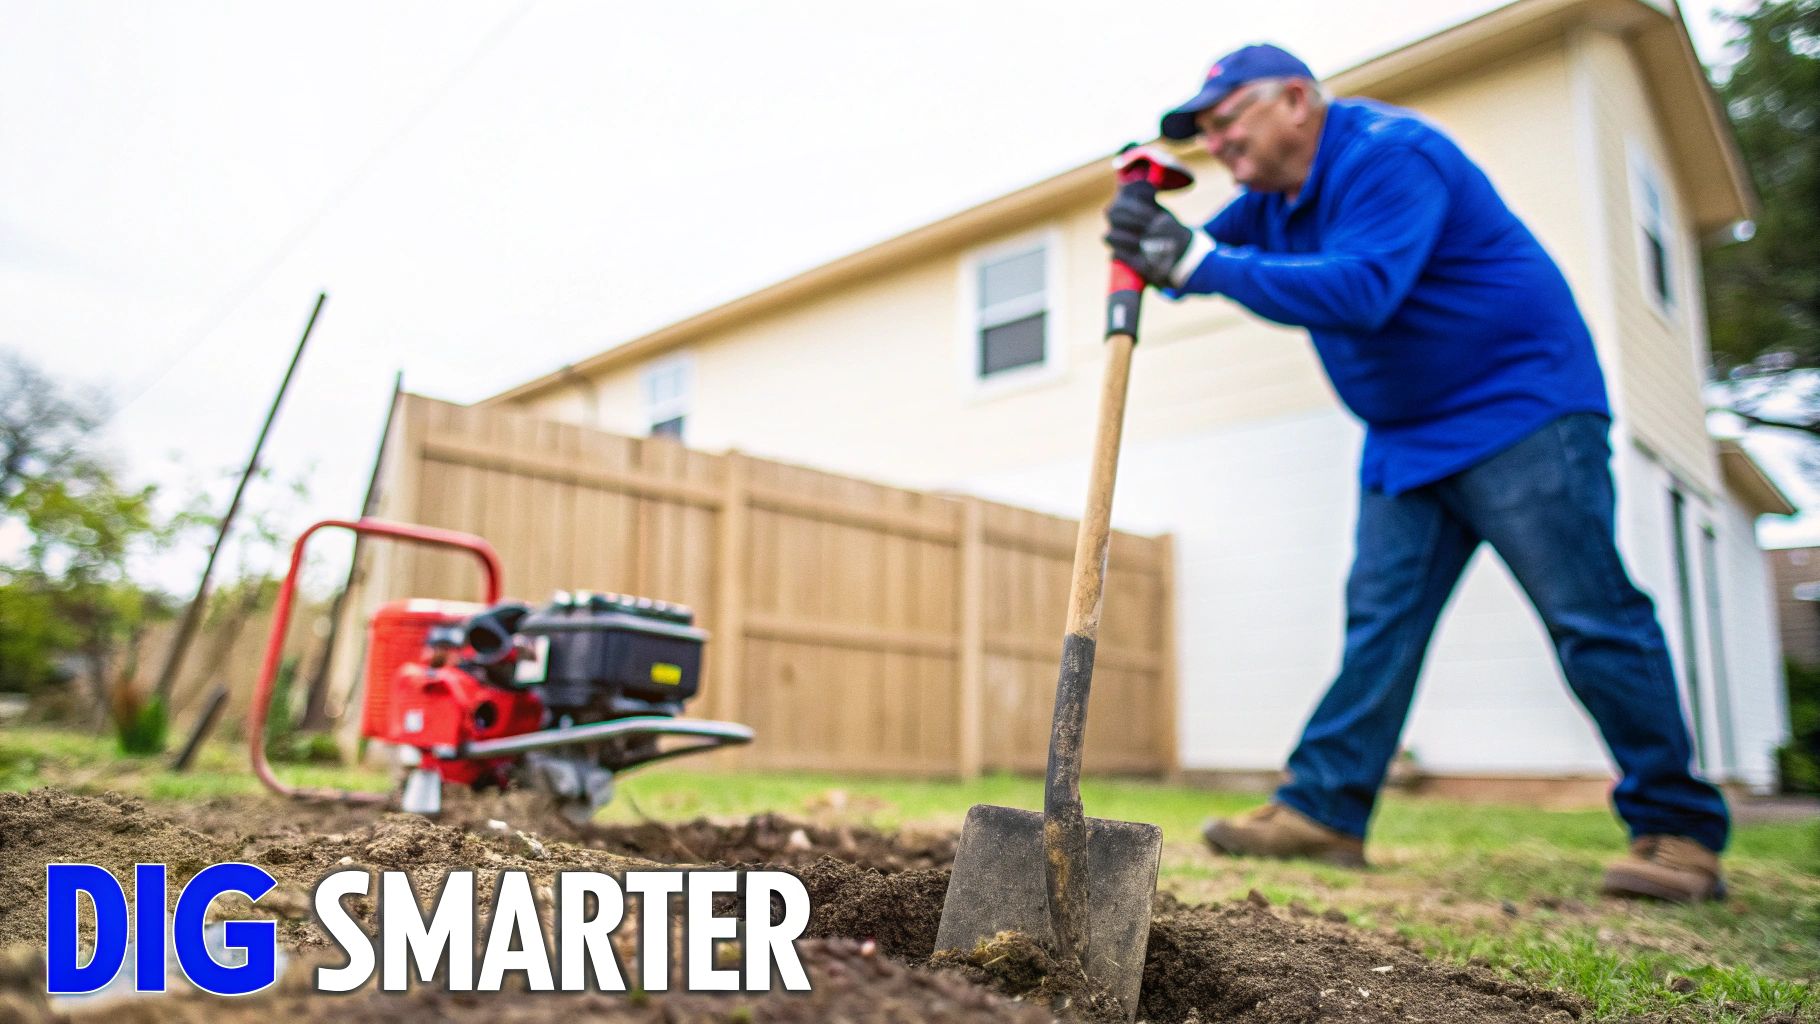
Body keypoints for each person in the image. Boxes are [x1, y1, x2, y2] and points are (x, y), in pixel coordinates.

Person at [1103, 43, 1730, 902]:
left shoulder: (1389, 155)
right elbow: (1204, 256)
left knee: (1589, 615)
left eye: (1227, 119)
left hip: (1521, 408)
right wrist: (1144, 235)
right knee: (1381, 627)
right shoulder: (1274, 200)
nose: (1217, 143)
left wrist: (1195, 264)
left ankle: (1679, 830)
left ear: (1295, 100)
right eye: (1203, 133)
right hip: (1405, 435)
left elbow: (1362, 288)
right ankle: (1324, 811)